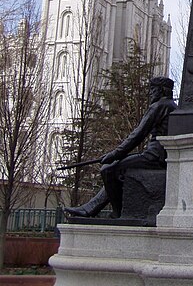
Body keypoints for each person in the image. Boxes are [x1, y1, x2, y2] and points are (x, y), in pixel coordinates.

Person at [64, 76, 177, 219]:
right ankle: (90, 208)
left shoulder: (159, 106)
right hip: (160, 155)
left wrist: (115, 154)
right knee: (114, 168)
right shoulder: (172, 106)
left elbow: (138, 134)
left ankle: (118, 212)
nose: (150, 94)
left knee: (108, 169)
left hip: (155, 156)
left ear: (161, 90)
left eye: (153, 90)